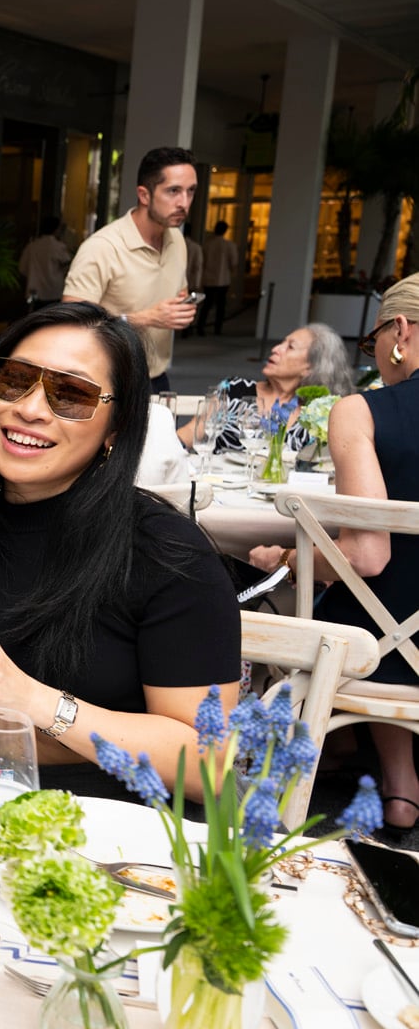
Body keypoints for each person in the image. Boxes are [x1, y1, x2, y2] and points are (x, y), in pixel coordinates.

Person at [0, 302, 241, 800]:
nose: (30, 409)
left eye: (71, 394)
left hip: (131, 827)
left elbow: (207, 767)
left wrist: (34, 700)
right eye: (14, 378)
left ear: (115, 430)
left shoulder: (167, 554)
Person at [250, 275, 419, 829]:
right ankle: (385, 772)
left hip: (388, 645)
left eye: (373, 347)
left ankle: (391, 782)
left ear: (400, 332)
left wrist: (293, 560)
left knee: (354, 600)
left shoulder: (363, 411)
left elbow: (367, 557)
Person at [63, 147, 199, 393]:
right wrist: (147, 318)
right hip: (107, 382)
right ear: (144, 195)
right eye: (173, 191)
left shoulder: (177, 241)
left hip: (156, 377)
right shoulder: (102, 247)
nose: (184, 203)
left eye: (191, 191)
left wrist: (182, 308)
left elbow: (177, 294)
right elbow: (72, 324)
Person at [178, 323, 354, 453]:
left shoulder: (319, 412)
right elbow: (189, 435)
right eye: (281, 343)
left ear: (311, 367)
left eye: (290, 347)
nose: (276, 349)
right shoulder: (233, 391)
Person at [17, 216, 70, 310]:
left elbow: (22, 268)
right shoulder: (58, 246)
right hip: (54, 292)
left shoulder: (32, 246)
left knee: (36, 319)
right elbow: (67, 264)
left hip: (34, 291)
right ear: (56, 229)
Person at [199, 221, 241, 337]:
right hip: (222, 279)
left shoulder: (207, 244)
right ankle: (217, 328)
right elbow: (234, 263)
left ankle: (200, 327)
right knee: (220, 306)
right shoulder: (229, 245)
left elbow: (202, 262)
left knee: (207, 305)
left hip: (208, 278)